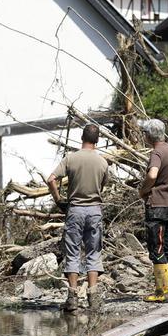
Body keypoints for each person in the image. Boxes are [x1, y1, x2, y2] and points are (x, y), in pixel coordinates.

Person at [47, 124, 110, 312]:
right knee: (93, 252)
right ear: (97, 140)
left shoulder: (70, 158)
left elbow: (51, 179)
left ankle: (72, 298)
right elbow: (103, 184)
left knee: (73, 252)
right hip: (94, 211)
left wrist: (58, 200)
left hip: (75, 210)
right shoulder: (102, 162)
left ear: (82, 137)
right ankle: (93, 298)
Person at [137, 119, 168, 303]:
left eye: (144, 133)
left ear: (149, 135)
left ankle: (161, 292)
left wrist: (143, 190)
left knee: (156, 246)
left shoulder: (157, 153)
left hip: (156, 205)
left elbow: (152, 175)